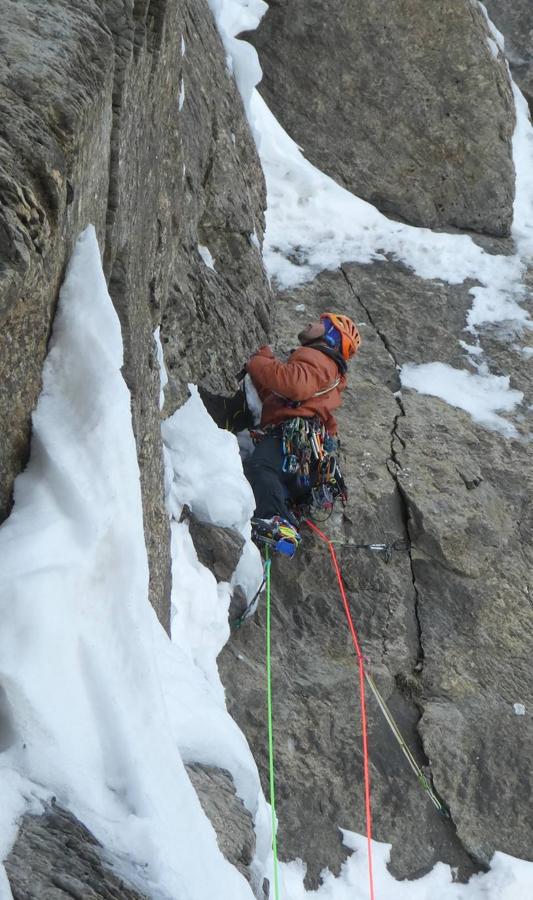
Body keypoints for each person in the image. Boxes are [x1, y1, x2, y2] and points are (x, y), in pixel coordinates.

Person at [244, 312, 361, 556]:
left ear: (330, 335)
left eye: (321, 323)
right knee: (276, 481)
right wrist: (263, 371)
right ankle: (280, 518)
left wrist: (258, 361)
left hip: (294, 438)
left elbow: (293, 384)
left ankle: (276, 522)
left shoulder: (317, 356)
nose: (311, 323)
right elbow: (281, 396)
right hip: (307, 455)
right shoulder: (326, 369)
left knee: (261, 467)